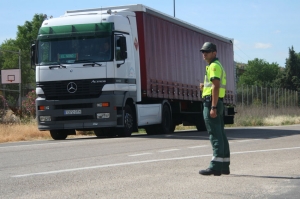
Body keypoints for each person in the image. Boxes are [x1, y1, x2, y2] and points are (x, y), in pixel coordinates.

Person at [199, 42, 230, 176]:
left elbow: (215, 86)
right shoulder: (216, 66)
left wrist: (213, 106)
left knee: (215, 134)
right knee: (220, 134)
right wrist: (203, 88)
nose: (204, 53)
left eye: (207, 51)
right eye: (203, 51)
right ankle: (224, 165)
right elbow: (213, 86)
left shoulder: (213, 66)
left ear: (214, 53)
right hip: (217, 102)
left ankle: (216, 166)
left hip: (212, 103)